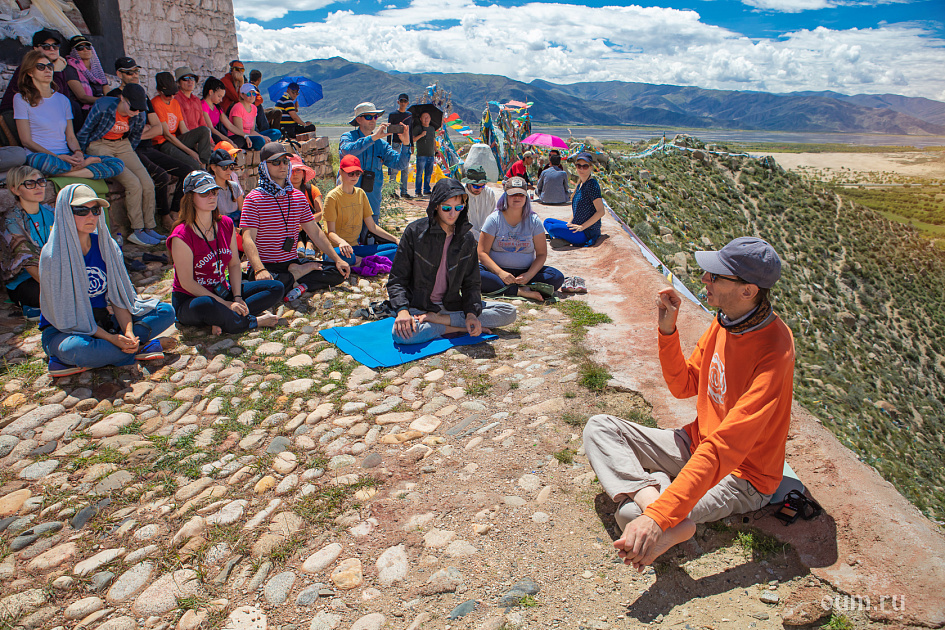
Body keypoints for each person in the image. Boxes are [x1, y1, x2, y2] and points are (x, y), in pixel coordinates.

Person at [583, 237, 794, 570]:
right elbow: (684, 386)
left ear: (748, 290)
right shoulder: (726, 321)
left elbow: (726, 447)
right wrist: (668, 332)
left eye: (716, 276)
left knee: (630, 516)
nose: (705, 279)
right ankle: (659, 504)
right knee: (600, 427)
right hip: (695, 443)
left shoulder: (775, 351)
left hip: (743, 476)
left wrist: (655, 516)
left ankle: (653, 505)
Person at [38, 183, 175, 377]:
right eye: (81, 210)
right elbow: (66, 319)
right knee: (78, 348)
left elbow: (118, 297)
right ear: (65, 212)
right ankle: (140, 348)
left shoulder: (106, 246)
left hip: (104, 322)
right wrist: (111, 338)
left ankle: (121, 350)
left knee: (165, 311)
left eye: (95, 210)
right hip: (67, 331)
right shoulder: (53, 256)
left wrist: (127, 332)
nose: (91, 216)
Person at [389, 178, 517, 345]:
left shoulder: (467, 239)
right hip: (419, 306)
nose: (452, 214)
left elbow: (472, 283)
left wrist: (471, 314)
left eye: (458, 208)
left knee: (509, 311)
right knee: (400, 335)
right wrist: (402, 311)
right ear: (435, 205)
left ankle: (440, 321)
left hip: (451, 306)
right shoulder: (414, 232)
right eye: (447, 208)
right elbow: (397, 280)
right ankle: (456, 328)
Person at [169, 171, 283, 335]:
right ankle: (250, 321)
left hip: (222, 289)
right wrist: (225, 304)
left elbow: (235, 263)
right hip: (193, 298)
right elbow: (187, 283)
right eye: (204, 193)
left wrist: (237, 298)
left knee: (275, 287)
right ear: (190, 197)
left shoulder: (225, 224)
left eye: (214, 192)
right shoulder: (182, 236)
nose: (212, 197)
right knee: (206, 304)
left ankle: (224, 319)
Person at [240, 142, 351, 296]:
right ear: (264, 166)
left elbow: (315, 231)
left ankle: (295, 281)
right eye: (276, 162)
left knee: (337, 272)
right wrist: (259, 269)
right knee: (267, 285)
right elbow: (248, 239)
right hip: (266, 265)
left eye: (285, 161)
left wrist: (336, 259)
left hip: (291, 262)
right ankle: (297, 279)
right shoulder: (254, 198)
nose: (282, 166)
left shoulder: (297, 196)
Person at [107, 56, 190, 231]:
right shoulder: (113, 97)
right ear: (119, 74)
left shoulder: (142, 95)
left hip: (146, 147)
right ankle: (164, 216)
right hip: (128, 148)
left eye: (136, 71)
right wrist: (142, 130)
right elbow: (122, 129)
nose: (134, 75)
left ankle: (176, 210)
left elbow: (158, 128)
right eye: (129, 72)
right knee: (161, 176)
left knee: (186, 170)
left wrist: (139, 131)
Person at [14, 50, 123, 180]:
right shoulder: (21, 98)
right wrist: (58, 157)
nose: (47, 70)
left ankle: (64, 173)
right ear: (30, 72)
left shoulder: (63, 100)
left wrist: (78, 153)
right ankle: (80, 170)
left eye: (50, 66)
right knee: (45, 163)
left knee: (117, 164)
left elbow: (70, 136)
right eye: (40, 67)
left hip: (66, 154)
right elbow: (26, 141)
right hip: (42, 156)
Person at [77, 83, 162, 247]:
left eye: (139, 109)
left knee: (148, 183)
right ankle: (137, 230)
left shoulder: (139, 113)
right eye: (133, 108)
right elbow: (85, 132)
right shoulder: (103, 106)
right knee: (133, 183)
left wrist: (126, 150)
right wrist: (81, 154)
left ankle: (150, 227)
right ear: (122, 98)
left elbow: (135, 137)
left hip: (123, 145)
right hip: (100, 144)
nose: (136, 112)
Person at [478, 177, 564, 301]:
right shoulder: (494, 219)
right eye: (512, 194)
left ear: (526, 197)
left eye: (521, 194)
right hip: (496, 272)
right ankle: (520, 291)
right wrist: (500, 273)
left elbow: (541, 254)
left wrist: (529, 275)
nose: (517, 198)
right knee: (473, 274)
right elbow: (482, 253)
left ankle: (511, 287)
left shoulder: (534, 221)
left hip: (525, 272)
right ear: (505, 195)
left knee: (556, 277)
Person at [339, 102, 410, 232]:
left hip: (372, 203)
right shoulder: (348, 137)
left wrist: (406, 144)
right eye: (368, 117)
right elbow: (347, 151)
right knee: (348, 239)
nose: (373, 120)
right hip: (348, 202)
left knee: (369, 239)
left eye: (375, 117)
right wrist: (373, 137)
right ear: (358, 119)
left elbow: (400, 164)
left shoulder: (381, 145)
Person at [324, 155, 400, 266]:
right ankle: (364, 260)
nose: (354, 176)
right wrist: (341, 242)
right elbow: (330, 232)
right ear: (341, 172)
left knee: (396, 248)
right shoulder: (332, 197)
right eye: (350, 173)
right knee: (333, 256)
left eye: (357, 173)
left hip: (355, 248)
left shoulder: (361, 194)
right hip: (338, 249)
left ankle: (361, 261)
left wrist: (396, 239)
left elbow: (372, 227)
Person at [2, 166, 53, 320]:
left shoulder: (50, 212)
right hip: (26, 281)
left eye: (41, 181)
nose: (38, 187)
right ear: (16, 190)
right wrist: (59, 287)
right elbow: (29, 263)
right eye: (30, 184)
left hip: (54, 272)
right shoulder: (11, 221)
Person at [152, 71, 212, 171]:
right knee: (192, 164)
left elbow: (183, 128)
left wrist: (195, 144)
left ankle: (204, 166)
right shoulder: (156, 103)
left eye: (173, 94)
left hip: (176, 139)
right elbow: (167, 135)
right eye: (168, 95)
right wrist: (190, 151)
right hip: (164, 143)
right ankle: (200, 173)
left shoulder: (174, 102)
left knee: (204, 130)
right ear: (159, 91)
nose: (171, 98)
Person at [1, 29, 69, 114]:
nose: (52, 49)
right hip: (16, 112)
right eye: (46, 46)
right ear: (36, 49)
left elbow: (65, 98)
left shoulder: (58, 65)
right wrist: (57, 72)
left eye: (55, 46)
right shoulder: (30, 67)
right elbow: (51, 98)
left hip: (40, 111)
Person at [543, 152, 604, 246]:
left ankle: (563, 238)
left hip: (586, 232)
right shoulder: (580, 184)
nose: (581, 169)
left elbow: (601, 211)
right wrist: (569, 224)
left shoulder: (592, 185)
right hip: (575, 226)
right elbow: (576, 210)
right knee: (547, 221)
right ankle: (564, 238)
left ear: (591, 167)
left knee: (553, 228)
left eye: (585, 166)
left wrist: (582, 227)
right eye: (579, 166)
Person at [62, 35, 106, 127]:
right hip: (82, 110)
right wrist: (105, 101)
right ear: (74, 52)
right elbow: (82, 97)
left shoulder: (97, 68)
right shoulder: (71, 69)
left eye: (88, 47)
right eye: (80, 48)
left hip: (100, 107)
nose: (85, 50)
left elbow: (107, 89)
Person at [289, 154, 321, 254]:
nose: (295, 174)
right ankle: (299, 244)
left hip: (309, 225)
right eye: (291, 171)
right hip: (292, 228)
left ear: (303, 173)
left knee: (315, 224)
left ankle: (310, 244)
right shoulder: (282, 193)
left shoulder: (312, 190)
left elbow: (320, 213)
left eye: (298, 170)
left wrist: (304, 224)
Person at [201, 77, 245, 146]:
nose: (221, 100)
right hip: (210, 136)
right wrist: (227, 139)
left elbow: (230, 126)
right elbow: (211, 128)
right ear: (211, 92)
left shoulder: (217, 108)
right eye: (219, 96)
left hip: (219, 135)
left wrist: (245, 135)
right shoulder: (203, 105)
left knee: (241, 139)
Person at [208, 149, 244, 226]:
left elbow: (242, 214)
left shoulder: (235, 186)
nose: (228, 170)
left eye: (230, 167)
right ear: (213, 167)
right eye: (224, 167)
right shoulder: (209, 190)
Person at [387, 93, 412, 199]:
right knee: (394, 168)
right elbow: (389, 131)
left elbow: (410, 131)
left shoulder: (409, 115)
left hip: (406, 145)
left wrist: (412, 145)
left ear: (407, 103)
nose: (403, 103)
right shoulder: (393, 115)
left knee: (405, 169)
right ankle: (391, 191)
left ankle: (404, 191)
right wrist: (388, 145)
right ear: (398, 102)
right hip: (395, 144)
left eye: (405, 101)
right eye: (401, 101)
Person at [228, 84, 268, 151]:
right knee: (260, 141)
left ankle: (263, 141)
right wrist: (262, 137)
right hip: (241, 137)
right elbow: (240, 131)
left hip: (250, 135)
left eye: (254, 94)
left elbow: (252, 130)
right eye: (249, 94)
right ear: (242, 95)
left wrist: (263, 136)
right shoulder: (238, 108)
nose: (252, 96)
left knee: (275, 133)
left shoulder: (254, 108)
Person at [462, 166, 496, 240]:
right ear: (468, 183)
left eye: (482, 186)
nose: (480, 189)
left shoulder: (489, 193)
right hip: (466, 239)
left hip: (487, 237)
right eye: (476, 186)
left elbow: (494, 216)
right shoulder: (460, 195)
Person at [173, 66, 205, 133]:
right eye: (186, 78)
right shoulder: (176, 99)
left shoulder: (196, 100)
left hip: (198, 136)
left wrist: (210, 141)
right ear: (178, 83)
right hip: (185, 138)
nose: (190, 81)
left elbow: (202, 123)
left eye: (192, 78)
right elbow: (183, 127)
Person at [412, 111, 436, 198]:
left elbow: (433, 140)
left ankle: (427, 190)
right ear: (421, 119)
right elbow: (413, 139)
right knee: (419, 174)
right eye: (424, 117)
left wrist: (436, 151)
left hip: (431, 155)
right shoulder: (418, 128)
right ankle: (418, 191)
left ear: (430, 119)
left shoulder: (432, 129)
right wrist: (421, 135)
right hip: (421, 155)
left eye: (428, 117)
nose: (426, 119)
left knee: (428, 174)